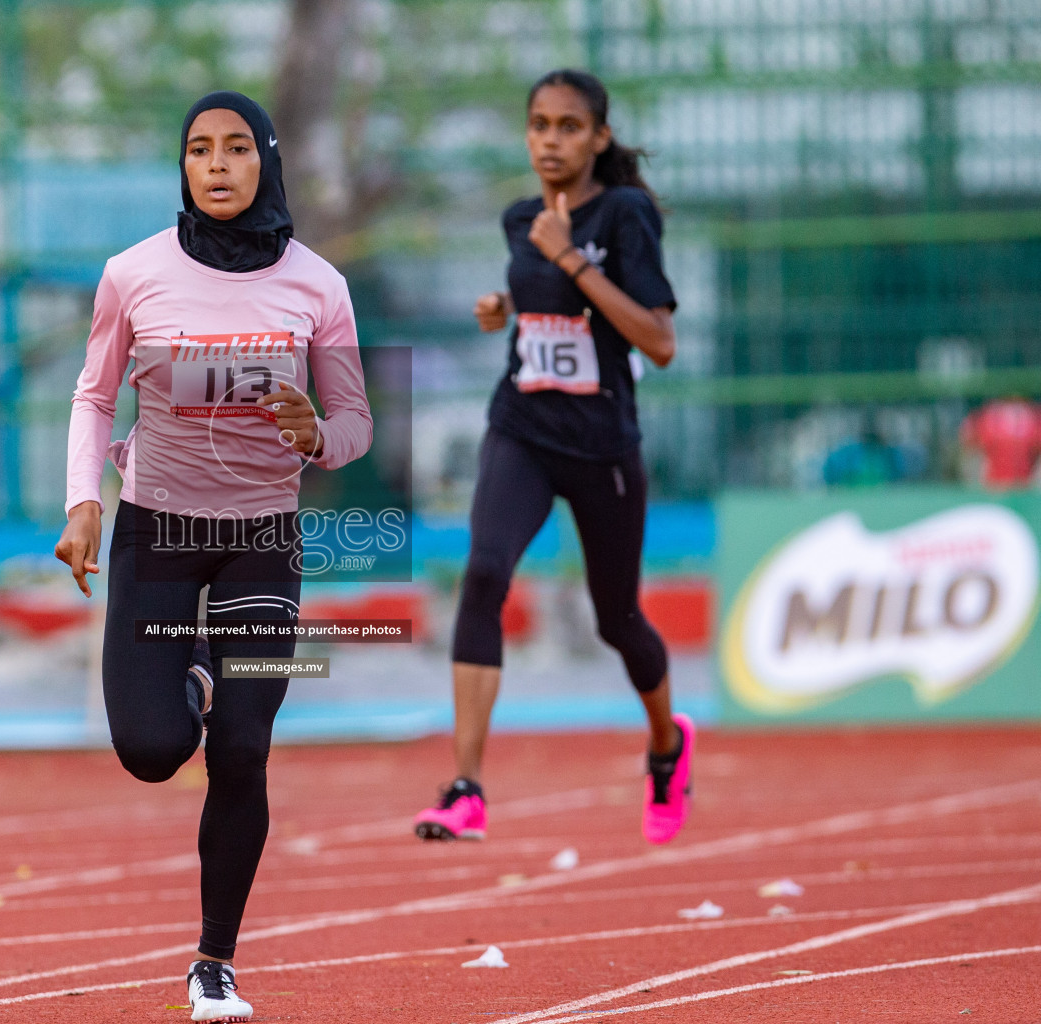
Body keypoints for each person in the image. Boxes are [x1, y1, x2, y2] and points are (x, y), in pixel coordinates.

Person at [54, 91, 371, 1023]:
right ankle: (191, 668)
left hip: (261, 541)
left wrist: (316, 432)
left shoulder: (320, 287)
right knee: (154, 752)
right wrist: (82, 502)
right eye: (200, 150)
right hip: (155, 530)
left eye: (237, 148)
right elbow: (91, 395)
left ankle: (214, 962)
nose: (219, 165)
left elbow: (353, 423)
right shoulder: (132, 274)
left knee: (243, 747)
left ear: (267, 161)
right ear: (183, 166)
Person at [412, 69, 694, 847]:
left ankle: (667, 745)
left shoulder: (627, 215)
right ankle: (466, 787)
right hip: (522, 429)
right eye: (539, 125)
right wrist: (508, 307)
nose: (551, 140)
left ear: (600, 137)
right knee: (484, 573)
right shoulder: (520, 219)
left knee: (619, 619)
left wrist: (572, 261)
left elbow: (659, 342)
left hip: (601, 446)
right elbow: (546, 313)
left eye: (569, 126)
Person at [960, 397, 1041, 489]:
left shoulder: (1035, 416)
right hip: (993, 486)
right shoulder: (983, 416)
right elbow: (970, 453)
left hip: (1025, 487)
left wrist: (1034, 486)